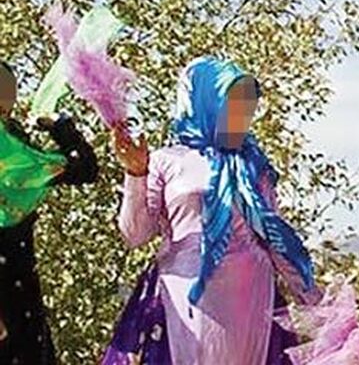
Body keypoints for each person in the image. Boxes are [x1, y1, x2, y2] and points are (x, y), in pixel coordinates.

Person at [108, 57, 317, 364]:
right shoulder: (167, 160)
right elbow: (135, 234)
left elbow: (277, 241)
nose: (243, 115)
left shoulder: (253, 166)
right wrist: (135, 173)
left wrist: (317, 304)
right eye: (233, 105)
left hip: (252, 303)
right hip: (186, 302)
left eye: (248, 108)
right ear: (205, 101)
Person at [0, 59, 99, 365]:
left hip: (21, 301)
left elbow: (84, 168)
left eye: (6, 110)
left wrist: (59, 125)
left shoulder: (18, 158)